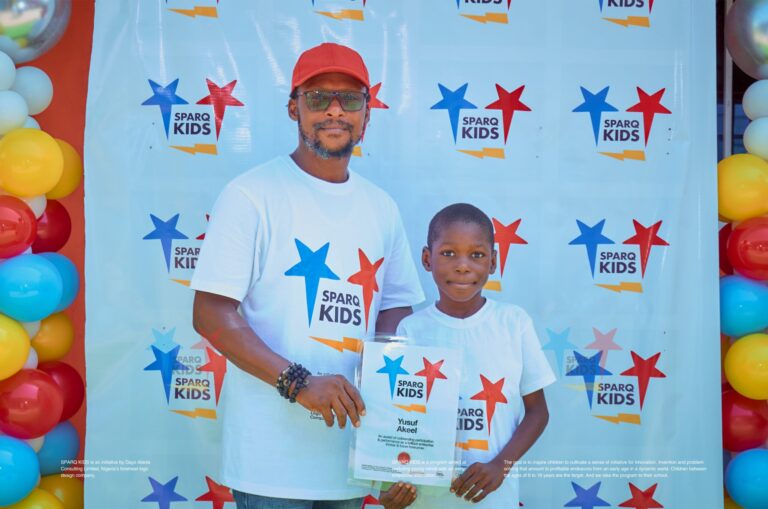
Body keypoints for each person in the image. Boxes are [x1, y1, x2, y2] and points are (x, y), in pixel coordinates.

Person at [190, 42, 424, 509]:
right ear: (293, 108)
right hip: (269, 463)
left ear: (367, 115)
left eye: (349, 99)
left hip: (350, 457)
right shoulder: (251, 195)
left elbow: (394, 313)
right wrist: (298, 382)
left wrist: (398, 434)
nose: (334, 110)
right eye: (318, 98)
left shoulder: (381, 207)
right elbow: (210, 314)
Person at [388, 203, 556, 508]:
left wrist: (501, 465)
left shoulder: (514, 323)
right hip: (426, 499)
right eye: (448, 253)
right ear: (427, 259)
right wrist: (391, 484)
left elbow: (538, 412)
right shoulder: (411, 329)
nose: (463, 266)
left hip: (493, 500)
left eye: (476, 255)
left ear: (493, 261)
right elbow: (398, 417)